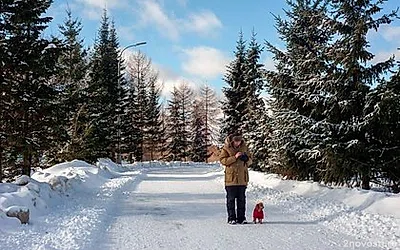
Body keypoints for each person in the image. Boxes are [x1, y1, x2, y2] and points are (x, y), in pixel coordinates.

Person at [220, 132, 252, 224]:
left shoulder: (245, 148)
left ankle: (241, 218)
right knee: (231, 200)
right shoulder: (226, 148)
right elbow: (223, 160)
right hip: (231, 180)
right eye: (236, 141)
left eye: (239, 141)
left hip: (242, 179)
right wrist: (234, 157)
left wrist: (246, 159)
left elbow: (250, 160)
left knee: (241, 200)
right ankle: (231, 218)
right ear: (232, 141)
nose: (238, 143)